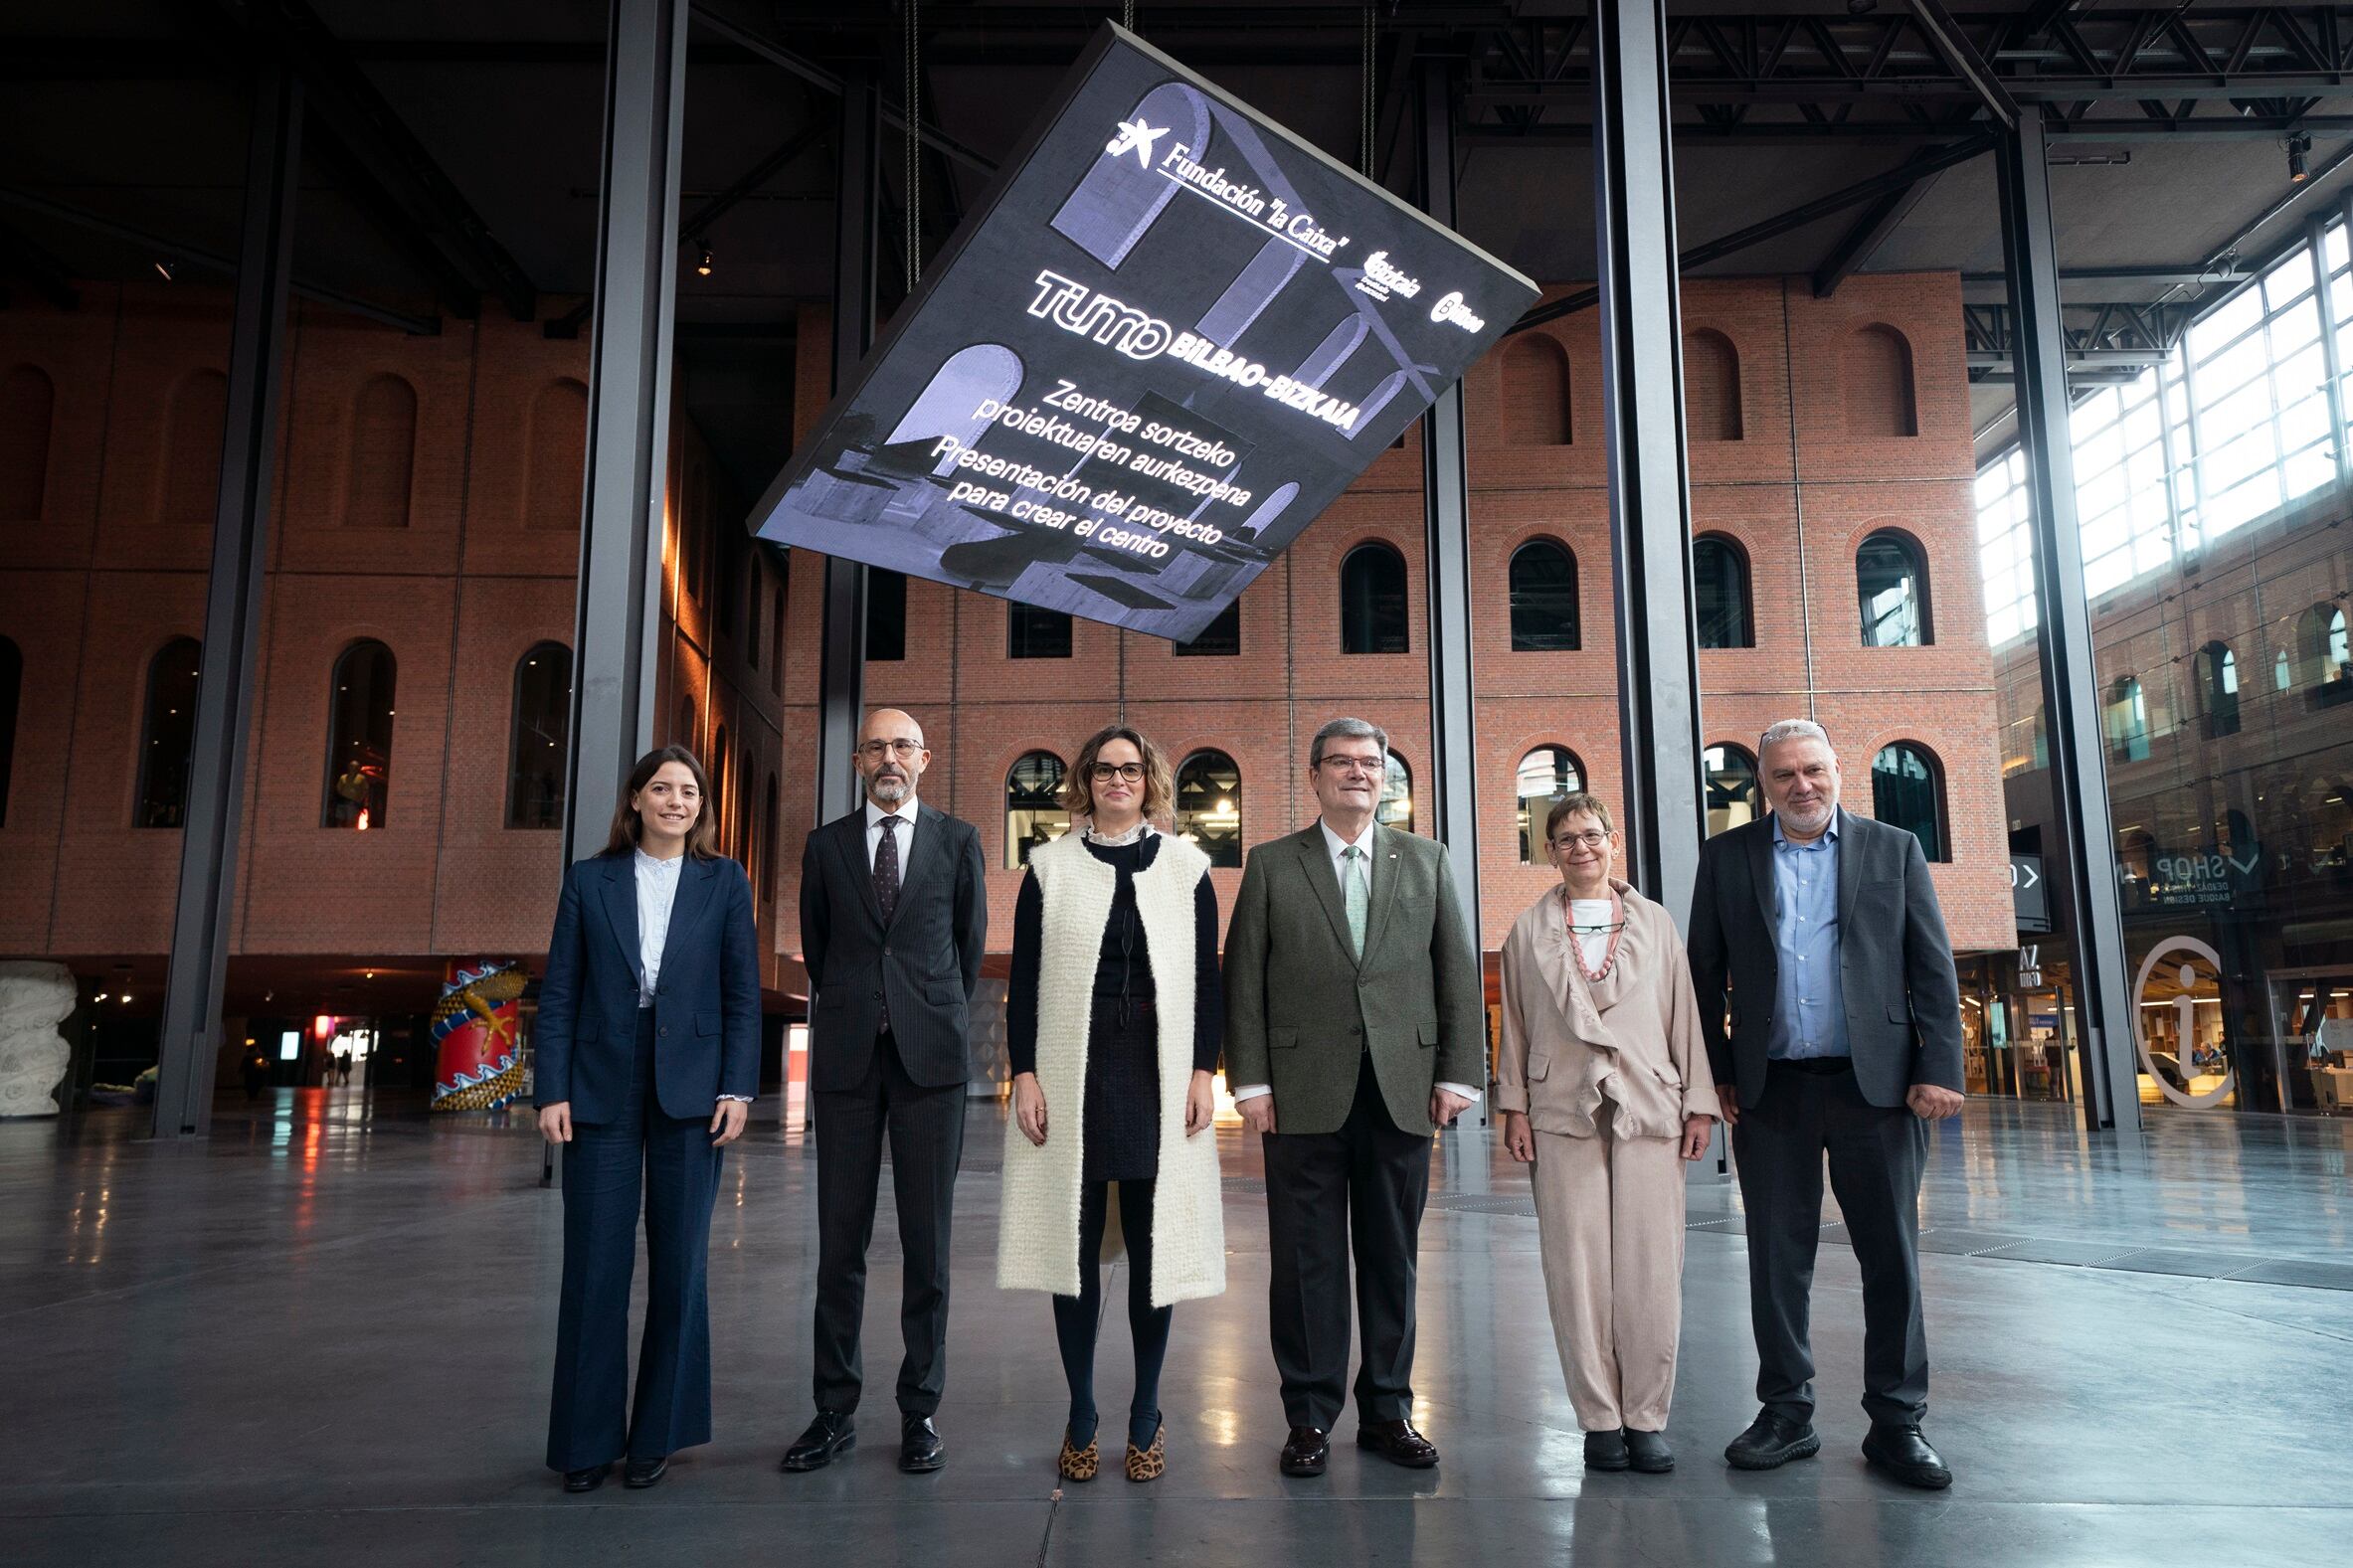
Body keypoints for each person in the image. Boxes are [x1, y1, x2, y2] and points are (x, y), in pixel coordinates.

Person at [1686, 718, 1966, 1490]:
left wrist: (1940, 1063)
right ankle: (1785, 1411)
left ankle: (1898, 1421)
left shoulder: (1893, 849)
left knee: (1893, 1258)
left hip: (1878, 1088)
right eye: (1784, 775)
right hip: (1771, 1091)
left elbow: (1931, 966)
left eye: (1813, 770)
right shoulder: (1728, 857)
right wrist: (1717, 1071)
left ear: (1838, 771)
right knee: (1777, 1259)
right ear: (1763, 785)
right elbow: (1702, 976)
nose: (1801, 785)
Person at [1222, 716, 1485, 1479]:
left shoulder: (1426, 860)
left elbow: (1454, 972)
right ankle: (1308, 1416)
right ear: (1314, 776)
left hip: (1403, 1092)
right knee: (1306, 1261)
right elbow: (1244, 978)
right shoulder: (1274, 864)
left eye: (1371, 762)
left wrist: (1457, 1074)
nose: (1358, 773)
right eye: (1342, 762)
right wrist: (1253, 1081)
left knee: (1392, 1256)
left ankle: (1389, 1409)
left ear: (1385, 776)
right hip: (1300, 1094)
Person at [997, 724, 1224, 1485]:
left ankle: (1147, 1410)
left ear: (1150, 779)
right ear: (1086, 780)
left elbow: (1207, 980)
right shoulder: (1050, 868)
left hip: (1158, 1071)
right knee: (1075, 1243)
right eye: (1104, 768)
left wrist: (1204, 1069)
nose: (1117, 779)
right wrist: (1024, 1071)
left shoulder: (1189, 868)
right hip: (1073, 1068)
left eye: (1131, 769)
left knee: (1157, 1249)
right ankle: (1083, 1409)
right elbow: (1024, 979)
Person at [534, 745, 760, 1493]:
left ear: (701, 805)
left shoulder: (724, 880)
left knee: (680, 1263)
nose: (675, 799)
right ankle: (585, 1442)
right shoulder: (588, 880)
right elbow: (560, 990)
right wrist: (551, 1089)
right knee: (594, 1265)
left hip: (693, 1088)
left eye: (688, 790)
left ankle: (656, 1434)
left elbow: (740, 993)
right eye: (660, 787)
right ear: (634, 799)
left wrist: (738, 1087)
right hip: (601, 1080)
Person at [786, 709, 987, 1476]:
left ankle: (920, 1410)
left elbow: (966, 949)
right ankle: (833, 1409)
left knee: (927, 1247)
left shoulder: (959, 841)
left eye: (903, 745)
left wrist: (923, 1010)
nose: (890, 756)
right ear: (858, 760)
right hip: (845, 1064)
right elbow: (818, 945)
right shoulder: (826, 845)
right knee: (840, 1247)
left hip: (929, 1062)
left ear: (925, 758)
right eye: (877, 745)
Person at [1496, 792, 1717, 1475]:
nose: (1580, 847)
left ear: (1613, 840)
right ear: (1551, 851)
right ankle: (1598, 1418)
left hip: (1650, 1102)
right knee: (1576, 1268)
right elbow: (1516, 1024)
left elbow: (1684, 1013)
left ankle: (1646, 1416)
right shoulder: (1526, 932)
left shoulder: (1655, 923)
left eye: (1591, 834)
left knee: (1651, 1270)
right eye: (1564, 838)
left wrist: (1699, 1101)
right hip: (1561, 1107)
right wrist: (1512, 1105)